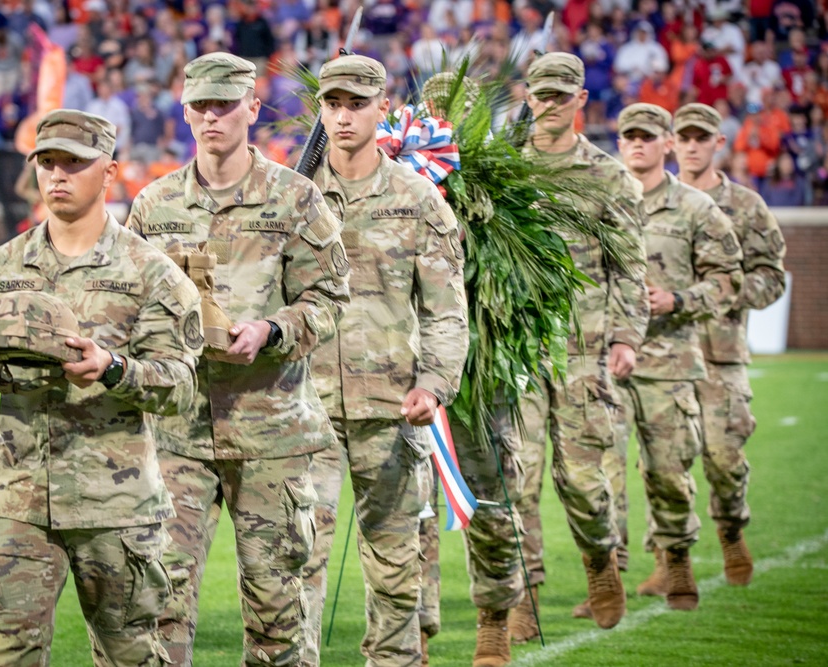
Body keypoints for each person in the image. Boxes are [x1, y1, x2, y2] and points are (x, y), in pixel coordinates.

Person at [0, 109, 202, 667]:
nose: (57, 176)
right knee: (6, 656)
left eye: (75, 164)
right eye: (47, 163)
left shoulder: (151, 272)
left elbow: (180, 386)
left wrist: (114, 368)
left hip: (116, 505)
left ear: (109, 172)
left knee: (131, 656)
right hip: (15, 499)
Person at [125, 52, 350, 667]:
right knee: (158, 600)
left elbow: (330, 295)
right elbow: (130, 306)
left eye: (225, 104)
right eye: (200, 105)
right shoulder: (154, 205)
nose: (211, 116)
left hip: (270, 431)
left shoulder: (297, 198)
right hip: (176, 434)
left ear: (252, 108)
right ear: (185, 111)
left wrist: (273, 329)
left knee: (278, 607)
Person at [299, 55, 469, 667]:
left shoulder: (418, 198)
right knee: (295, 561)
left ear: (381, 107)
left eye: (356, 105)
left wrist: (435, 384)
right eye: (332, 105)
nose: (343, 117)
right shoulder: (293, 195)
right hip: (302, 410)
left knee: (396, 570)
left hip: (393, 407)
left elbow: (448, 310)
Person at [507, 52, 650, 641]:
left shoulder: (610, 176)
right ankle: (521, 595)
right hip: (517, 353)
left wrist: (624, 337)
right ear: (528, 96)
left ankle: (599, 563)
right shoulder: (507, 170)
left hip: (585, 351)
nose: (550, 105)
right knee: (516, 480)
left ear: (581, 101)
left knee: (585, 482)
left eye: (562, 96)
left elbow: (630, 267)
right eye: (541, 95)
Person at [615, 102, 743, 611]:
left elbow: (727, 279)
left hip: (669, 362)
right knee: (598, 478)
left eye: (649, 136)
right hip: (606, 362)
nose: (639, 144)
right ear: (620, 143)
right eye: (630, 136)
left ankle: (677, 558)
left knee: (667, 470)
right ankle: (607, 575)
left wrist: (679, 299)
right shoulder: (600, 201)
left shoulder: (695, 208)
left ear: (665, 143)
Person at [665, 102, 786, 585]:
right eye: (684, 137)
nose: (692, 146)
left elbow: (771, 276)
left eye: (702, 137)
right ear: (671, 143)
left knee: (724, 455)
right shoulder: (650, 198)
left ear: (719, 143)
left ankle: (731, 529)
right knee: (665, 462)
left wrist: (727, 294)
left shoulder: (747, 206)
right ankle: (670, 559)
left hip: (721, 352)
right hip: (665, 352)